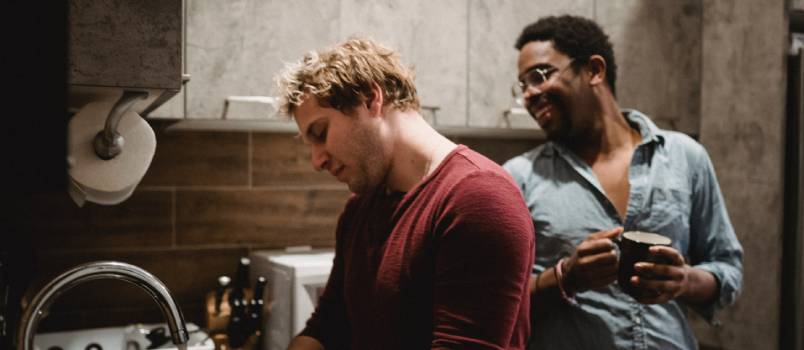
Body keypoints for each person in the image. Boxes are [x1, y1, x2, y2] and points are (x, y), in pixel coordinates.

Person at [274, 37, 535, 350]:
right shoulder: (361, 209)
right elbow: (330, 324)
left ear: (371, 99)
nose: (317, 160)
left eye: (321, 133)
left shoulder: (478, 199)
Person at [502, 15, 743, 349]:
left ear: (594, 70)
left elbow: (728, 270)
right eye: (523, 85)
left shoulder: (685, 157)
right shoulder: (517, 178)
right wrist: (564, 277)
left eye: (539, 76)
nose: (529, 94)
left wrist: (683, 280)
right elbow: (496, 298)